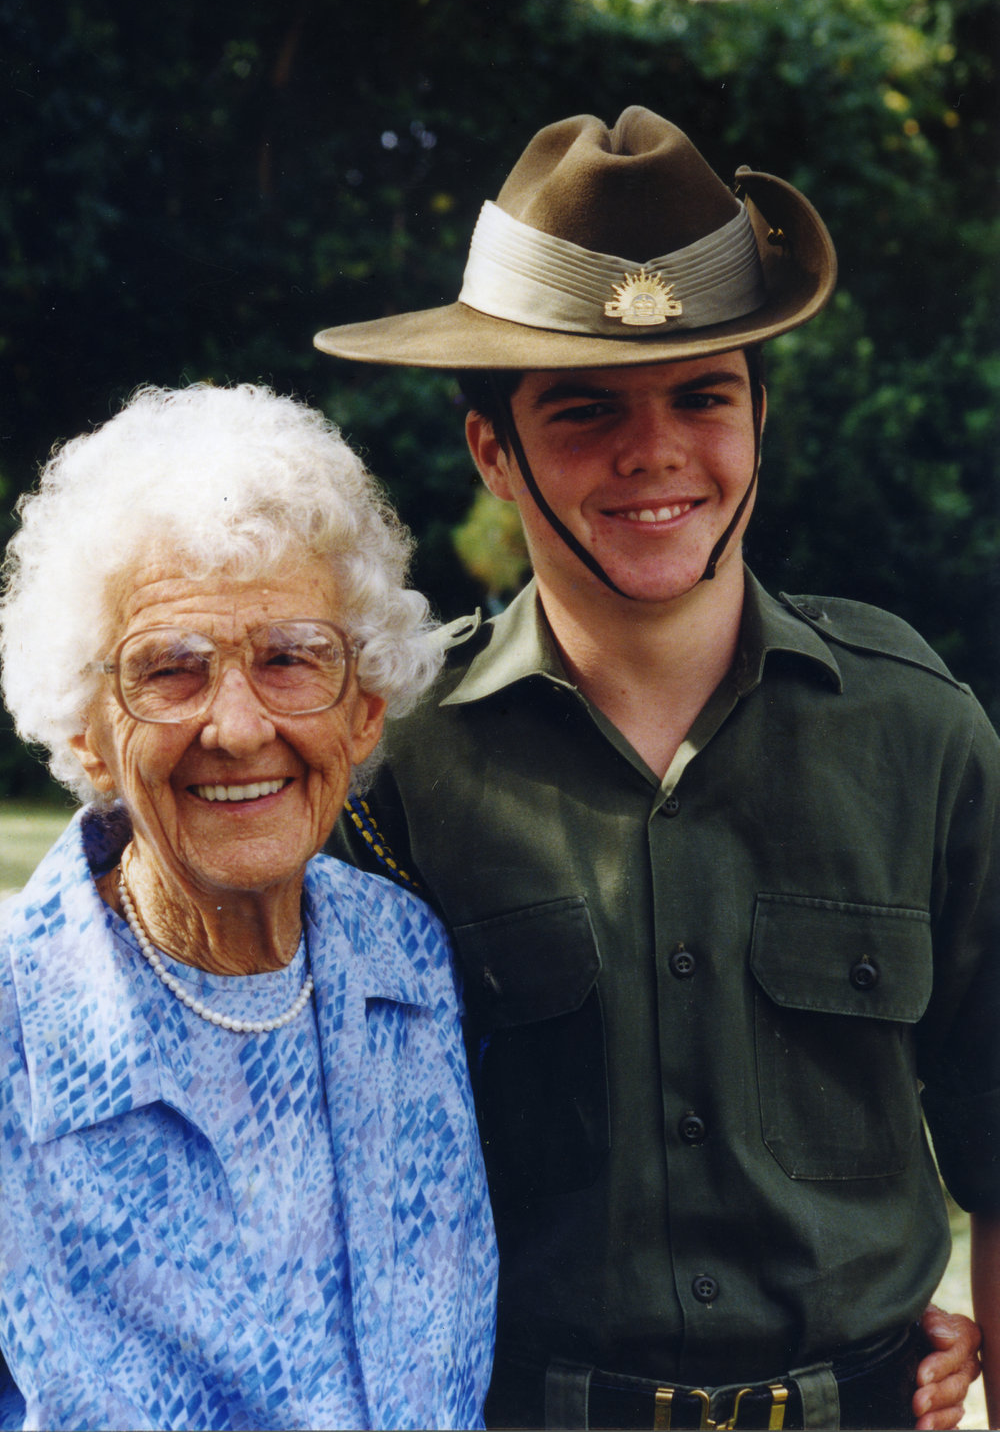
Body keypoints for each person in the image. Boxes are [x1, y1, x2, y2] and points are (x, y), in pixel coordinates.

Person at [314, 108, 998, 1430]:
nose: (657, 450)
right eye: (584, 408)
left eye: (704, 392)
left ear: (759, 415)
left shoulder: (920, 736)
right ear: (491, 453)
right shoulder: (389, 766)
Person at [0, 383, 497, 1431]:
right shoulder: (15, 1024)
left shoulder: (407, 959)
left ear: (363, 710)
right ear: (85, 731)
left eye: (289, 659)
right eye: (169, 670)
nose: (234, 725)